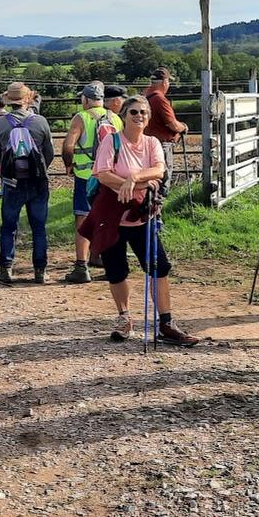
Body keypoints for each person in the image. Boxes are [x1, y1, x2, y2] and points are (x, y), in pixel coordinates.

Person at [85, 95, 199, 346]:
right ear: (124, 116)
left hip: (143, 216)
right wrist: (138, 182)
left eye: (144, 113)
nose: (139, 116)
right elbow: (103, 174)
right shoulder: (111, 141)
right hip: (112, 216)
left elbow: (159, 170)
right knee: (116, 270)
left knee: (159, 266)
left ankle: (166, 323)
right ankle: (124, 318)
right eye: (134, 112)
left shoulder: (152, 143)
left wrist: (133, 178)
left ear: (148, 118)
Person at [0, 81, 55, 285]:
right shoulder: (40, 121)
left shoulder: (0, 123)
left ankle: (6, 269)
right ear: (28, 99)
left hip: (12, 181)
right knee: (39, 227)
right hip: (37, 182)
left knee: (8, 226)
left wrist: (8, 166)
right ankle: (40, 271)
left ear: (9, 101)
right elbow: (49, 153)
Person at [61, 81, 122, 284]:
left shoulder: (82, 117)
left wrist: (69, 165)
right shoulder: (115, 118)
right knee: (109, 218)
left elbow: (68, 146)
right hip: (110, 176)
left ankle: (81, 267)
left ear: (85, 99)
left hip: (86, 177)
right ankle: (108, 261)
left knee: (83, 219)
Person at [143, 67, 189, 187]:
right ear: (164, 82)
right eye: (168, 82)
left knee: (150, 179)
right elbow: (172, 124)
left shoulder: (145, 96)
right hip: (161, 144)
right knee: (163, 179)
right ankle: (159, 203)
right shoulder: (159, 99)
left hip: (146, 142)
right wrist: (183, 127)